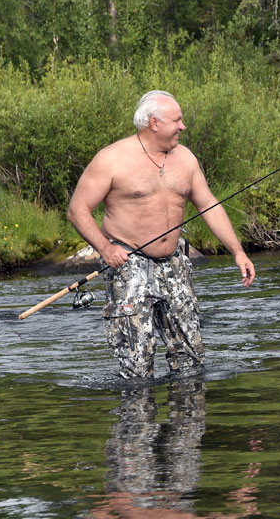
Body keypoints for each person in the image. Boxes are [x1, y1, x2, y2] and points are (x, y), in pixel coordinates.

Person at [67, 90, 255, 379]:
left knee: (191, 360)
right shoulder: (112, 159)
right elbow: (78, 209)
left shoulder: (186, 159)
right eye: (177, 120)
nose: (183, 126)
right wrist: (105, 249)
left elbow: (209, 205)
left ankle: (188, 419)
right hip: (128, 265)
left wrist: (238, 251)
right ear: (154, 123)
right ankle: (139, 420)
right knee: (137, 366)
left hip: (174, 265)